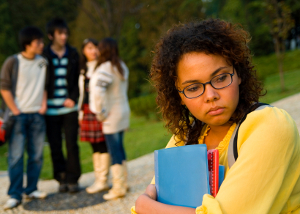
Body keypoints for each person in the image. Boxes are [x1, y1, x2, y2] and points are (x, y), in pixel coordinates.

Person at [132, 19, 300, 213]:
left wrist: (145, 206)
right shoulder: (186, 137)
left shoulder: (270, 126)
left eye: (220, 78)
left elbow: (148, 206)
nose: (211, 96)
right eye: (193, 88)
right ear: (178, 96)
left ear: (238, 74)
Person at [0, 26, 48, 210]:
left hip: (37, 114)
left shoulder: (43, 62)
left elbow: (45, 84)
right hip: (17, 116)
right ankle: (15, 194)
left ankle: (32, 188)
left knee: (36, 156)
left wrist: (43, 104)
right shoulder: (13, 62)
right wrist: (15, 110)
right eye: (38, 42)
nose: (42, 45)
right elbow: (4, 88)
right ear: (27, 44)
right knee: (16, 156)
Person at [43, 18, 81, 193]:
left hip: (69, 107)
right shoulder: (43, 55)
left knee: (72, 144)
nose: (64, 37)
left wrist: (73, 98)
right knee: (55, 144)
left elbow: (77, 81)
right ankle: (61, 177)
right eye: (60, 34)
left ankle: (73, 178)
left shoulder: (73, 54)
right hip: (50, 109)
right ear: (51, 36)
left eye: (65, 33)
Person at [90, 38, 130, 200]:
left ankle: (118, 187)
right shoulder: (121, 66)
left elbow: (98, 93)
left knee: (114, 151)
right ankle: (124, 183)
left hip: (111, 115)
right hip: (123, 111)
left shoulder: (105, 69)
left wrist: (100, 113)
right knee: (120, 148)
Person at [78, 38, 110, 193]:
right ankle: (98, 178)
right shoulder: (83, 69)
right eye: (89, 48)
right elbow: (81, 93)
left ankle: (103, 180)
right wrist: (80, 112)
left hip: (100, 110)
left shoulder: (104, 66)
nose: (93, 51)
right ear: (84, 51)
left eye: (96, 47)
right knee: (93, 145)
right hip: (86, 109)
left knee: (102, 143)